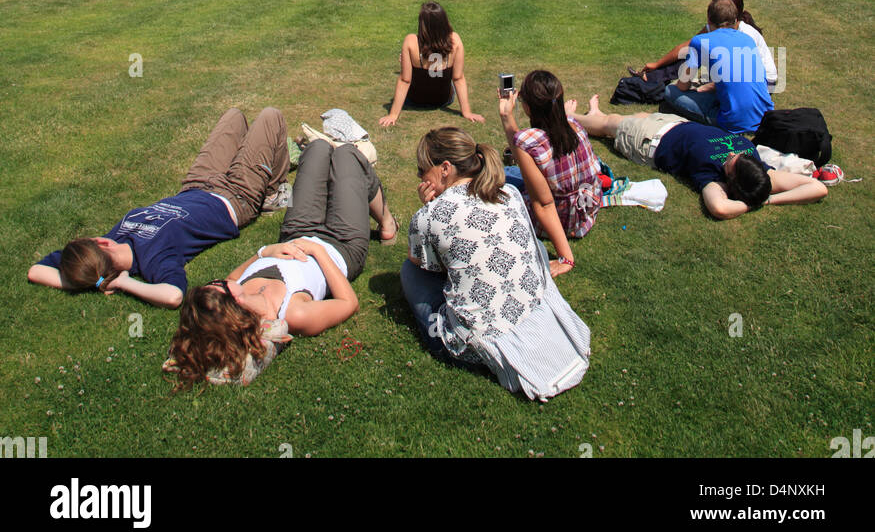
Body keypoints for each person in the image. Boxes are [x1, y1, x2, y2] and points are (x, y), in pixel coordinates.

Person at [165, 139, 396, 387]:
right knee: (348, 156)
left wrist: (265, 251)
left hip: (295, 232)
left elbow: (233, 277)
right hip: (341, 245)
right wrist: (318, 251)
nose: (219, 280)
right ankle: (386, 222)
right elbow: (348, 303)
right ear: (235, 304)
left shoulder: (237, 287)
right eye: (218, 285)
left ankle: (340, 176)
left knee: (317, 149)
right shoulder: (292, 313)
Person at [27, 108, 290, 308]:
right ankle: (272, 192)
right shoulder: (154, 259)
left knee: (234, 116)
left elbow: (36, 271)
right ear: (98, 243)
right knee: (270, 116)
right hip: (235, 197)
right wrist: (123, 282)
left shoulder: (114, 239)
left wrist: (88, 280)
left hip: (196, 184)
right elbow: (174, 295)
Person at [401, 127, 592, 399]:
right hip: (533, 311)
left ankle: (443, 332)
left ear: (445, 168)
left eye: (422, 169)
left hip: (476, 342)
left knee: (410, 272)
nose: (420, 177)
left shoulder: (429, 216)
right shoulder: (509, 192)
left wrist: (428, 209)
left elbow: (421, 262)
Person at [571, 96, 829, 220]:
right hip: (678, 125)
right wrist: (769, 197)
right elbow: (818, 188)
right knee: (637, 114)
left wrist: (756, 204)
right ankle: (595, 113)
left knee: (610, 124)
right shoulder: (760, 170)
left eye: (731, 161)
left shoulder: (713, 179)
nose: (732, 153)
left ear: (731, 179)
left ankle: (567, 117)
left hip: (652, 140)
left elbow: (720, 208)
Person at [499, 70, 600, 260]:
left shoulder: (528, 142)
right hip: (586, 209)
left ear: (528, 107)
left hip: (561, 219)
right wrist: (506, 116)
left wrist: (566, 257)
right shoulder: (573, 124)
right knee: (513, 171)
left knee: (500, 177)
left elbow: (544, 204)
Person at [662, 0, 773, 132]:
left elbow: (683, 85)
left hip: (733, 122)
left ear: (709, 20)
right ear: (736, 20)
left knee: (671, 90)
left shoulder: (699, 41)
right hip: (764, 117)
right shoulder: (747, 39)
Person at [641, 0, 778, 88]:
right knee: (694, 52)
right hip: (738, 80)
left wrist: (709, 86)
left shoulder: (746, 36)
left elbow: (743, 76)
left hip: (762, 82)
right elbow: (686, 48)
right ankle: (656, 78)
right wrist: (657, 64)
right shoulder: (716, 26)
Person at [379, 1, 484, 127]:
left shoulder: (411, 41)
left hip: (415, 100)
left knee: (413, 69)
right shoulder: (455, 40)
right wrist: (467, 112)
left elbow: (405, 80)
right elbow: (458, 78)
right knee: (442, 73)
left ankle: (412, 64)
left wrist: (393, 115)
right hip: (443, 100)